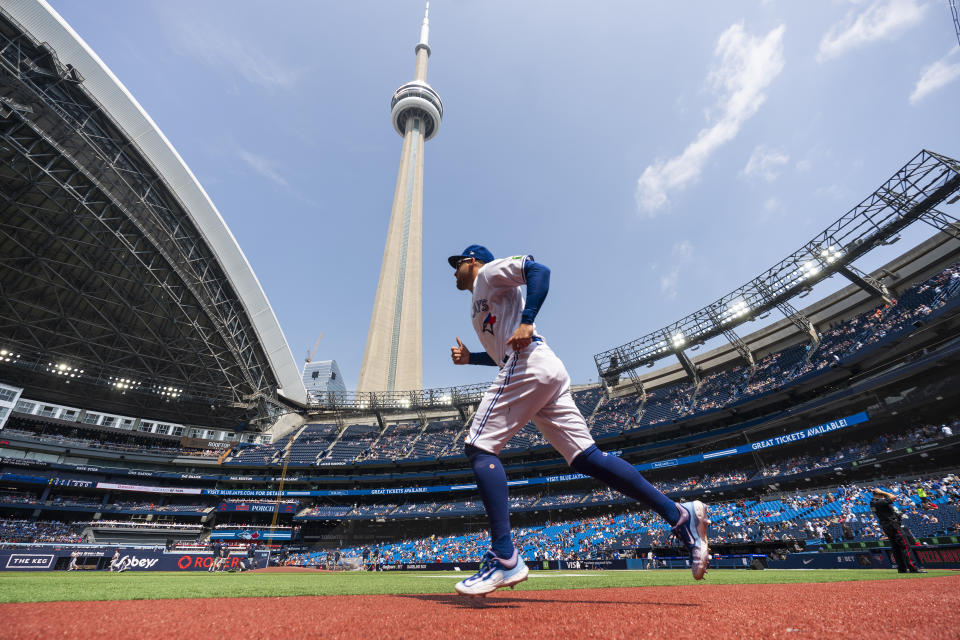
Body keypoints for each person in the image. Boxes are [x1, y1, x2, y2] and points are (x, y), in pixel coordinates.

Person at [446, 245, 708, 596]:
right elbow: (500, 353)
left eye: (457, 263)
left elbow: (539, 271)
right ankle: (679, 514)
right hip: (535, 367)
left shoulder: (490, 272)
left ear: (473, 261)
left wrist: (527, 320)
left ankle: (505, 556)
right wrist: (471, 360)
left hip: (529, 362)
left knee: (479, 447)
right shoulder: (478, 303)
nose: (453, 270)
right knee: (588, 457)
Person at [870, 488, 924, 573]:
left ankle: (901, 568)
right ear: (878, 494)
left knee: (896, 548)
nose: (883, 496)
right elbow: (893, 497)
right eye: (881, 495)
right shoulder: (878, 502)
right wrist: (883, 492)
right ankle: (913, 567)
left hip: (887, 526)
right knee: (905, 546)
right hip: (893, 525)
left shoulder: (873, 503)